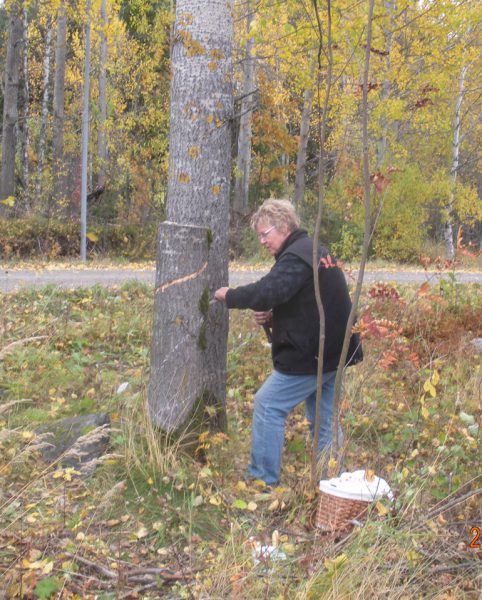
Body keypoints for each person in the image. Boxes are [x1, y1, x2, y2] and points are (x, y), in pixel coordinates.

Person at [214, 199, 362, 485]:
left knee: (268, 404)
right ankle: (332, 482)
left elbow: (267, 291)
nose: (261, 241)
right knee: (323, 420)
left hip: (314, 354)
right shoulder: (314, 250)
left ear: (282, 227)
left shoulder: (296, 256)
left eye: (264, 233)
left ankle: (261, 481)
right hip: (335, 350)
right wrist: (273, 316)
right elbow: (304, 300)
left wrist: (230, 296)